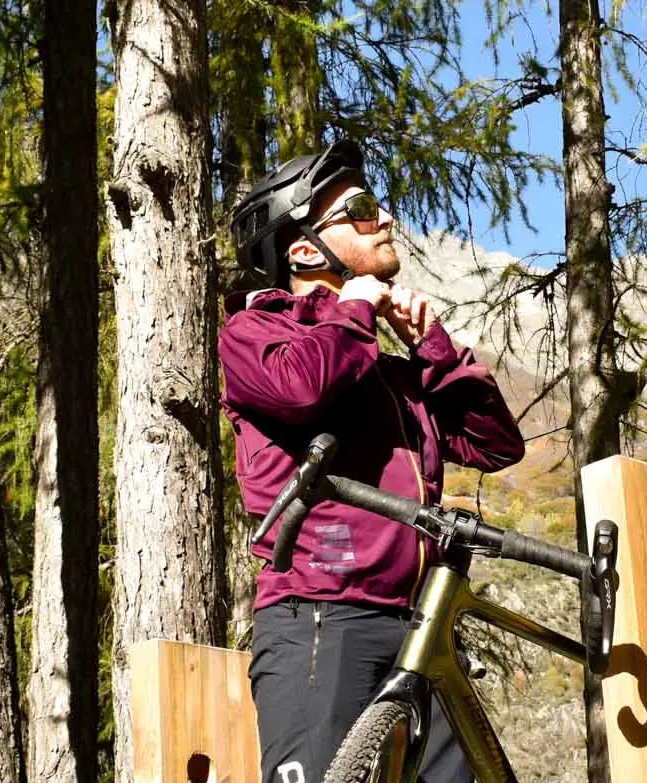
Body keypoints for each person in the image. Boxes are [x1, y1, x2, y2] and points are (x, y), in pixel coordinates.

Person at [220, 139, 525, 783]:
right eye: (358, 210)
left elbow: (493, 444)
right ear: (305, 249)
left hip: (422, 632)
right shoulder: (255, 335)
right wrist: (355, 307)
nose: (383, 219)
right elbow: (304, 388)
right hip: (322, 620)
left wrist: (434, 350)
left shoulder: (385, 370)